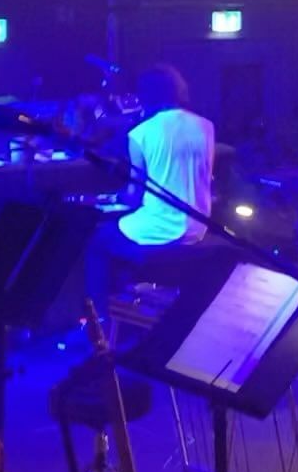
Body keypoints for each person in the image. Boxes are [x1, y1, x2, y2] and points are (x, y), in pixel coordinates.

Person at [86, 64, 214, 309]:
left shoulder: (140, 134)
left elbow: (134, 197)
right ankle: (134, 295)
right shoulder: (206, 127)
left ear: (146, 94)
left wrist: (108, 199)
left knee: (98, 240)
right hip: (197, 227)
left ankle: (101, 317)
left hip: (161, 229)